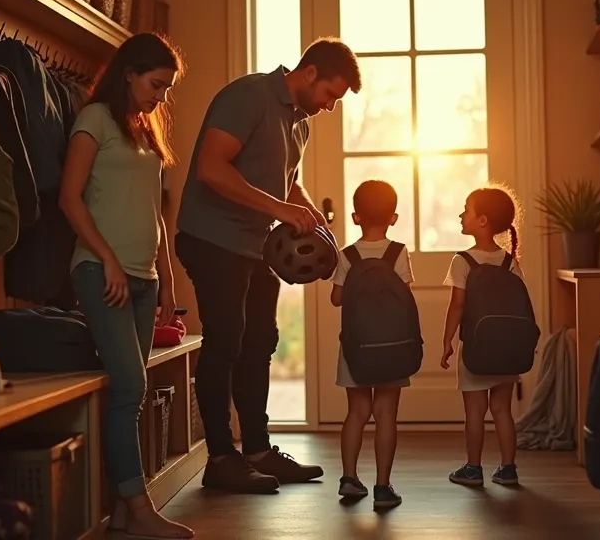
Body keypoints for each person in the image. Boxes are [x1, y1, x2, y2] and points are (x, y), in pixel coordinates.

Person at [175, 37, 362, 493]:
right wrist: (281, 210)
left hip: (254, 246)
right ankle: (221, 457)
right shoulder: (248, 96)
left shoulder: (300, 122)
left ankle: (257, 450)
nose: (330, 106)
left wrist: (305, 208)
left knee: (260, 341)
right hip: (212, 239)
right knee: (225, 342)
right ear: (311, 72)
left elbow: (284, 182)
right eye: (330, 95)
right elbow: (212, 169)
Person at [59, 33, 193, 539]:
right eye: (156, 85)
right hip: (101, 274)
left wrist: (167, 280)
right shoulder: (94, 120)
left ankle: (122, 515)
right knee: (130, 387)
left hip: (143, 278)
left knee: (131, 394)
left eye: (166, 89)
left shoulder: (146, 129)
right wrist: (109, 260)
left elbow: (155, 214)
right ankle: (139, 509)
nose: (161, 97)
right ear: (130, 74)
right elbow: (70, 200)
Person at [329, 180, 412, 510]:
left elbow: (336, 299)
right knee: (386, 413)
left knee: (357, 411)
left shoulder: (347, 255)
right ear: (393, 217)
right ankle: (382, 486)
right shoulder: (399, 252)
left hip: (355, 348)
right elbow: (407, 298)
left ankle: (349, 478)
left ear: (354, 217)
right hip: (392, 346)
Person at [439, 186, 525, 487]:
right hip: (507, 350)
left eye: (466, 209)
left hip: (476, 349)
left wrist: (447, 340)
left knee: (474, 411)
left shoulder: (463, 260)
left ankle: (473, 469)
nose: (461, 215)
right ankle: (508, 468)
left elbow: (457, 305)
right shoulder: (509, 261)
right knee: (502, 410)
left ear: (483, 220)